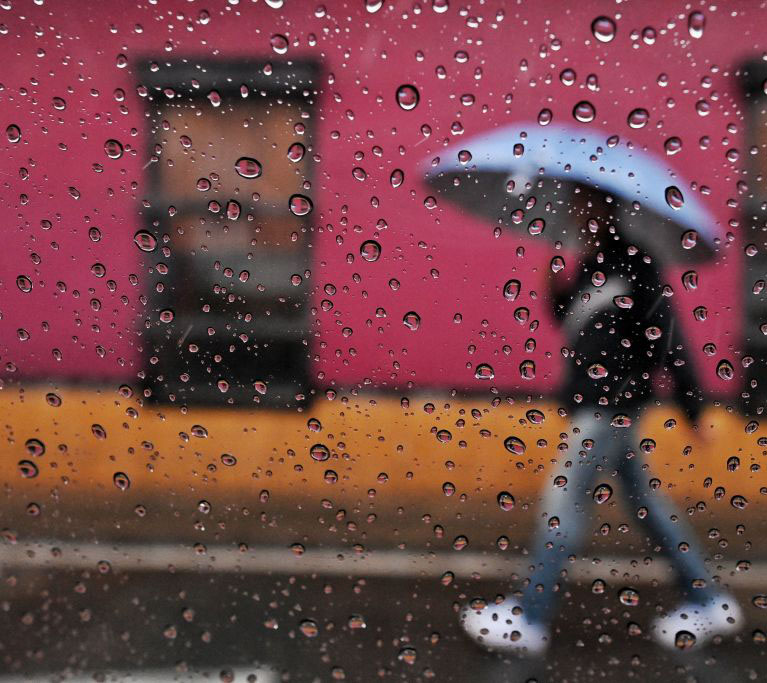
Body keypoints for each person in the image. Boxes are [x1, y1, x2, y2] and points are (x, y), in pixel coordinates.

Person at [460, 187, 742, 654]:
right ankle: (708, 598)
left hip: (613, 408)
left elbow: (667, 335)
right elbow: (580, 326)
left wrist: (695, 410)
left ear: (608, 205)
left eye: (587, 202)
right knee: (647, 507)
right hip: (597, 407)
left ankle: (528, 619)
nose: (578, 210)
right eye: (577, 203)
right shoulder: (589, 266)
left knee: (563, 503)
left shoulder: (637, 261)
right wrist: (553, 289)